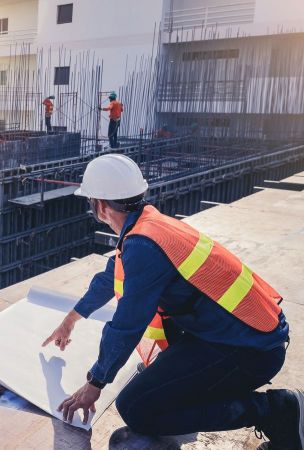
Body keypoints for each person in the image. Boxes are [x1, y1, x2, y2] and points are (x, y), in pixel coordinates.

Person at [42, 154, 299, 447]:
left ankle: (275, 410)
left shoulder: (143, 245)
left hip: (249, 351)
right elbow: (108, 279)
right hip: (240, 335)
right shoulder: (149, 227)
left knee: (136, 407)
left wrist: (95, 382)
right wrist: (70, 321)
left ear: (100, 206)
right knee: (150, 385)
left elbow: (126, 326)